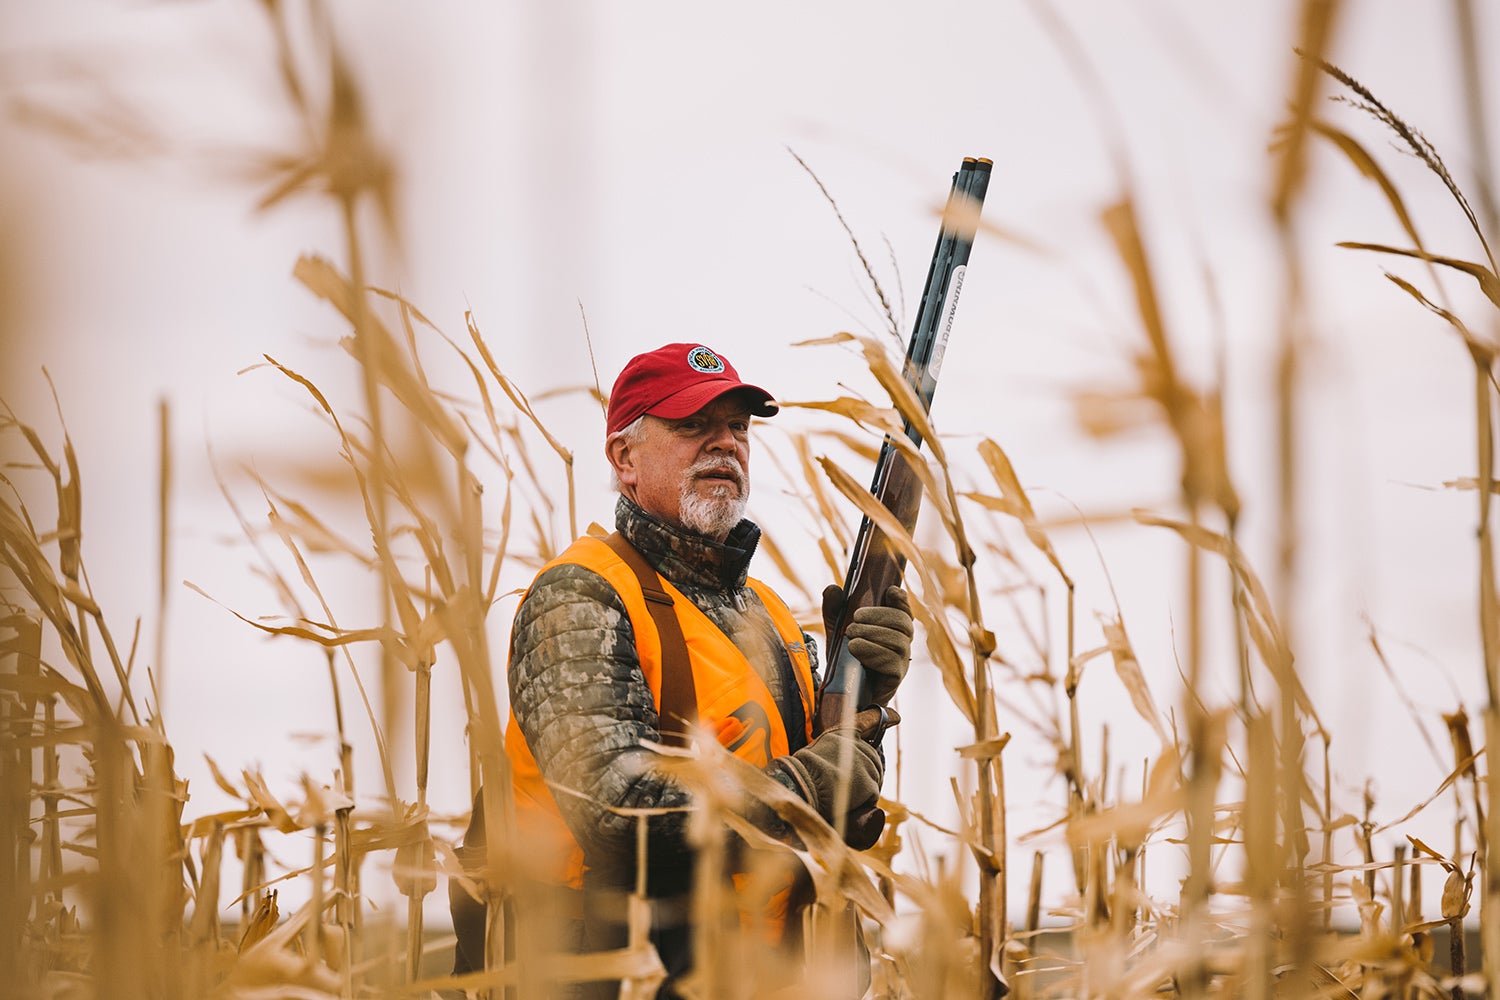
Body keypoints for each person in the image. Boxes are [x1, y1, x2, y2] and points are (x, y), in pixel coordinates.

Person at [451, 342, 914, 997]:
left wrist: (865, 701)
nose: (725, 443)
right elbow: (614, 810)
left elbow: (843, 818)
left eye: (738, 428)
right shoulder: (580, 596)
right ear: (624, 458)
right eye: (693, 425)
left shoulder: (771, 616)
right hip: (615, 976)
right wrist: (800, 786)